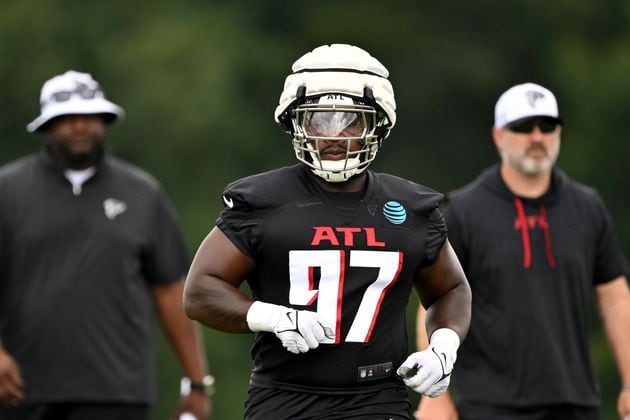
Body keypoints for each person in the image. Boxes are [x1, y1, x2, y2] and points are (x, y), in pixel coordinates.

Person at [183, 43, 472, 420]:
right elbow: (200, 291)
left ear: (377, 124)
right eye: (319, 119)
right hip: (284, 399)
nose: (334, 135)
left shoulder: (409, 207)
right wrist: (273, 317)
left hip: (377, 400)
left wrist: (443, 347)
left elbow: (451, 288)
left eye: (350, 120)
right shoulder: (263, 201)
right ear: (296, 123)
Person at [0, 70, 212, 420]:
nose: (80, 127)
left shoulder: (143, 193)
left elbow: (171, 291)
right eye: (67, 118)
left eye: (89, 116)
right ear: (46, 125)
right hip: (21, 390)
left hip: (117, 390)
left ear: (104, 120)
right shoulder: (7, 191)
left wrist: (197, 383)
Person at [415, 82, 630, 420]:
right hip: (489, 406)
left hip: (576, 403)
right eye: (523, 126)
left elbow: (616, 296)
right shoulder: (463, 210)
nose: (536, 137)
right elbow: (434, 299)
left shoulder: (587, 207)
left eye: (546, 126)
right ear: (499, 135)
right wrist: (436, 396)